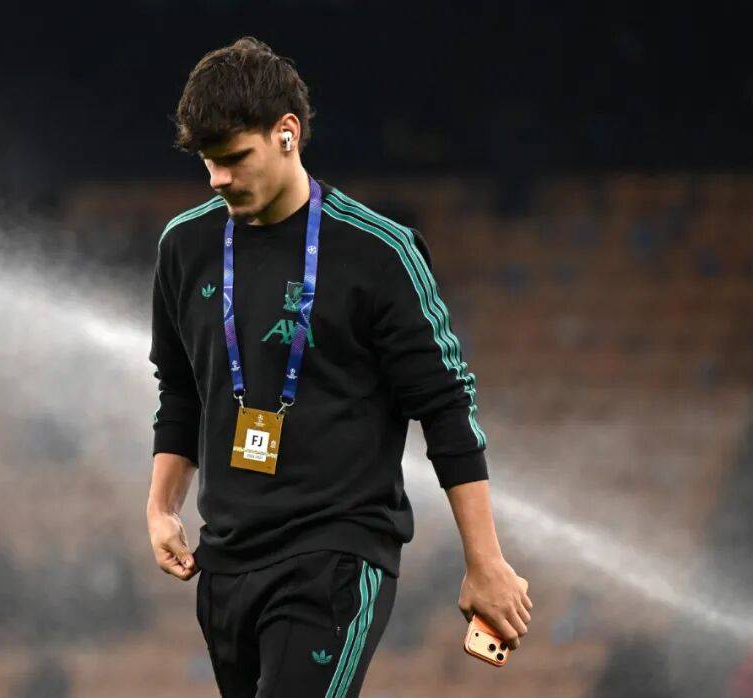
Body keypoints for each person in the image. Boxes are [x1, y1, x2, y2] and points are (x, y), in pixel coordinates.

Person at [146, 36, 532, 697]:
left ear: (287, 133)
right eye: (209, 163)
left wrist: (486, 560)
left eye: (234, 159)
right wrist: (161, 507)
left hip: (337, 554)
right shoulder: (185, 245)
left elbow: (446, 406)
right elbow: (179, 390)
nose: (218, 180)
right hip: (226, 560)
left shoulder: (379, 252)